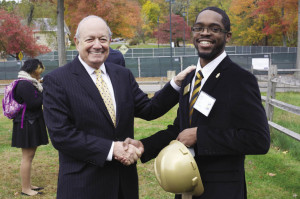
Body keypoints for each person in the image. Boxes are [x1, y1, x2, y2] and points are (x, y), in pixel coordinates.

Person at [124, 7, 271, 199]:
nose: (205, 33)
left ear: (227, 36)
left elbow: (258, 140)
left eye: (214, 28)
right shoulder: (190, 79)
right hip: (186, 187)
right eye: (199, 28)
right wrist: (144, 146)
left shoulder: (240, 80)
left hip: (221, 191)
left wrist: (201, 136)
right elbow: (179, 130)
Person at [42, 15, 194, 199]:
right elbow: (61, 135)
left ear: (110, 41)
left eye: (103, 39)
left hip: (123, 184)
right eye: (90, 39)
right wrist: (111, 149)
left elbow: (149, 109)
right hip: (83, 186)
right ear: (76, 42)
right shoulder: (58, 80)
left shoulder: (122, 75)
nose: (97, 45)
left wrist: (176, 83)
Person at [11, 59, 49, 196]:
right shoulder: (24, 84)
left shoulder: (29, 83)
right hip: (27, 122)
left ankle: (28, 184)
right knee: (27, 156)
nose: (39, 76)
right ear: (32, 71)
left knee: (29, 156)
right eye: (38, 73)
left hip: (30, 121)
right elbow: (34, 103)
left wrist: (40, 87)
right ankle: (25, 189)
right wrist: (46, 92)